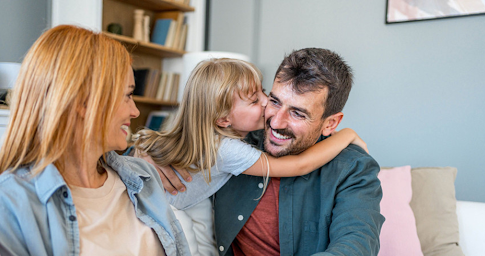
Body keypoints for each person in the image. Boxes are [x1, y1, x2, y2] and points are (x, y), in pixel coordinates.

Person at [133, 58, 369, 255]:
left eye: (297, 113)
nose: (273, 117)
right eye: (272, 100)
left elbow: (355, 242)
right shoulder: (235, 144)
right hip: (170, 210)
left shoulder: (353, 167)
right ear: (223, 119)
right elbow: (299, 165)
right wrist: (142, 159)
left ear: (331, 123)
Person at [0, 25, 190, 256]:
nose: (135, 111)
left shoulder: (143, 178)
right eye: (128, 95)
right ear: (83, 102)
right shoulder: (11, 202)